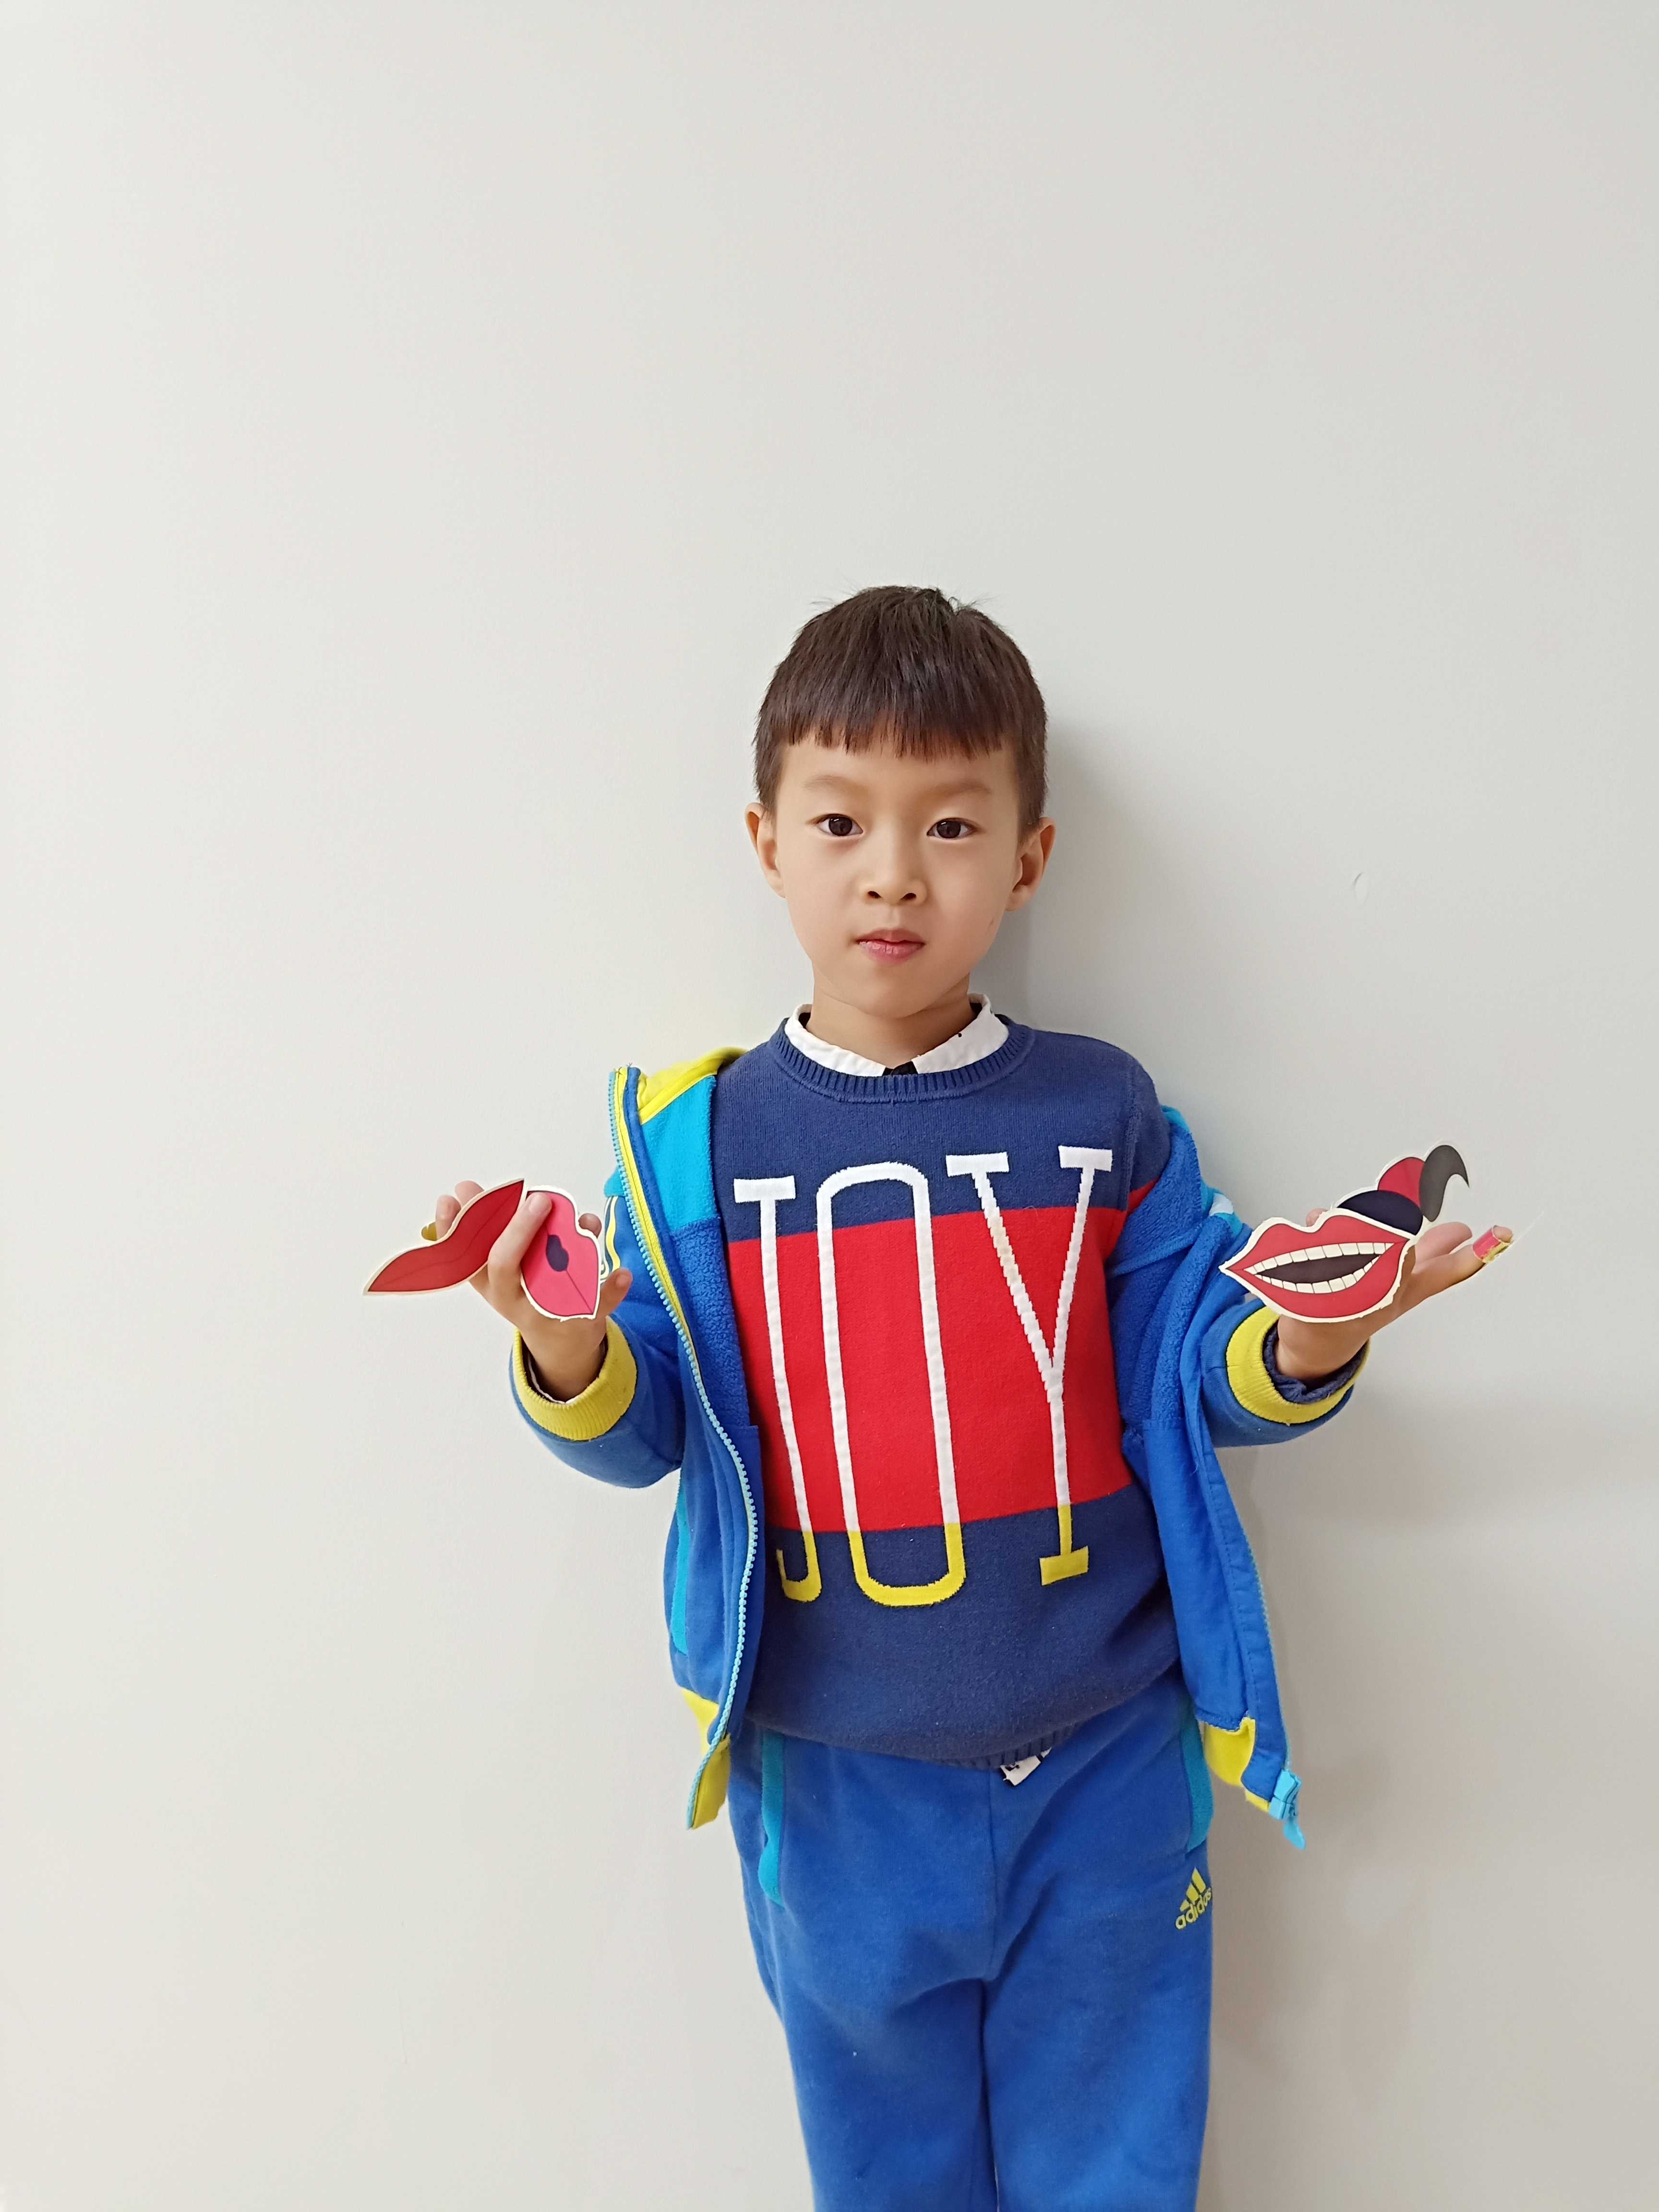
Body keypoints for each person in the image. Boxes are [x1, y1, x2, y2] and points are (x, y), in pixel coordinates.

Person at [432, 587, 1505, 2210]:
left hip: (1105, 1769)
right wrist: (561, 1343)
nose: (893, 873)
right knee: (886, 2179)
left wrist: (1312, 1336)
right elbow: (650, 1428)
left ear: (1029, 855)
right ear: (765, 842)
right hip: (837, 1787)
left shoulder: (1105, 1113)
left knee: (1120, 2172)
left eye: (949, 825)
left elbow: (1195, 1367)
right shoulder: (696, 1150)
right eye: (841, 821)